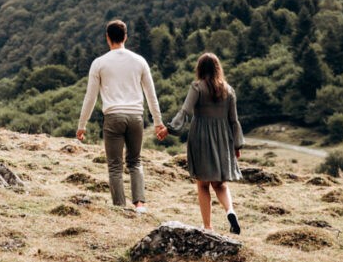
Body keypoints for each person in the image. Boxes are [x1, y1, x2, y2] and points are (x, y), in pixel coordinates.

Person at [77, 20, 168, 212]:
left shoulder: (99, 63)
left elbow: (90, 97)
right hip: (136, 117)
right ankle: (140, 204)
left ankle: (120, 207)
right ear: (125, 37)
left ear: (107, 38)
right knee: (135, 161)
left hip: (113, 117)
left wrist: (82, 125)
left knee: (115, 166)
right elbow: (151, 94)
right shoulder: (139, 61)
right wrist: (158, 122)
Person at [169, 52, 244, 234]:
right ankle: (230, 211)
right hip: (223, 140)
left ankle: (208, 226)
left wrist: (171, 128)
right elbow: (234, 120)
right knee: (220, 184)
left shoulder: (197, 87)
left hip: (201, 138)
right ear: (218, 69)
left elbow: (185, 111)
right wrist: (237, 145)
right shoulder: (229, 90)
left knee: (203, 185)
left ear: (200, 68)